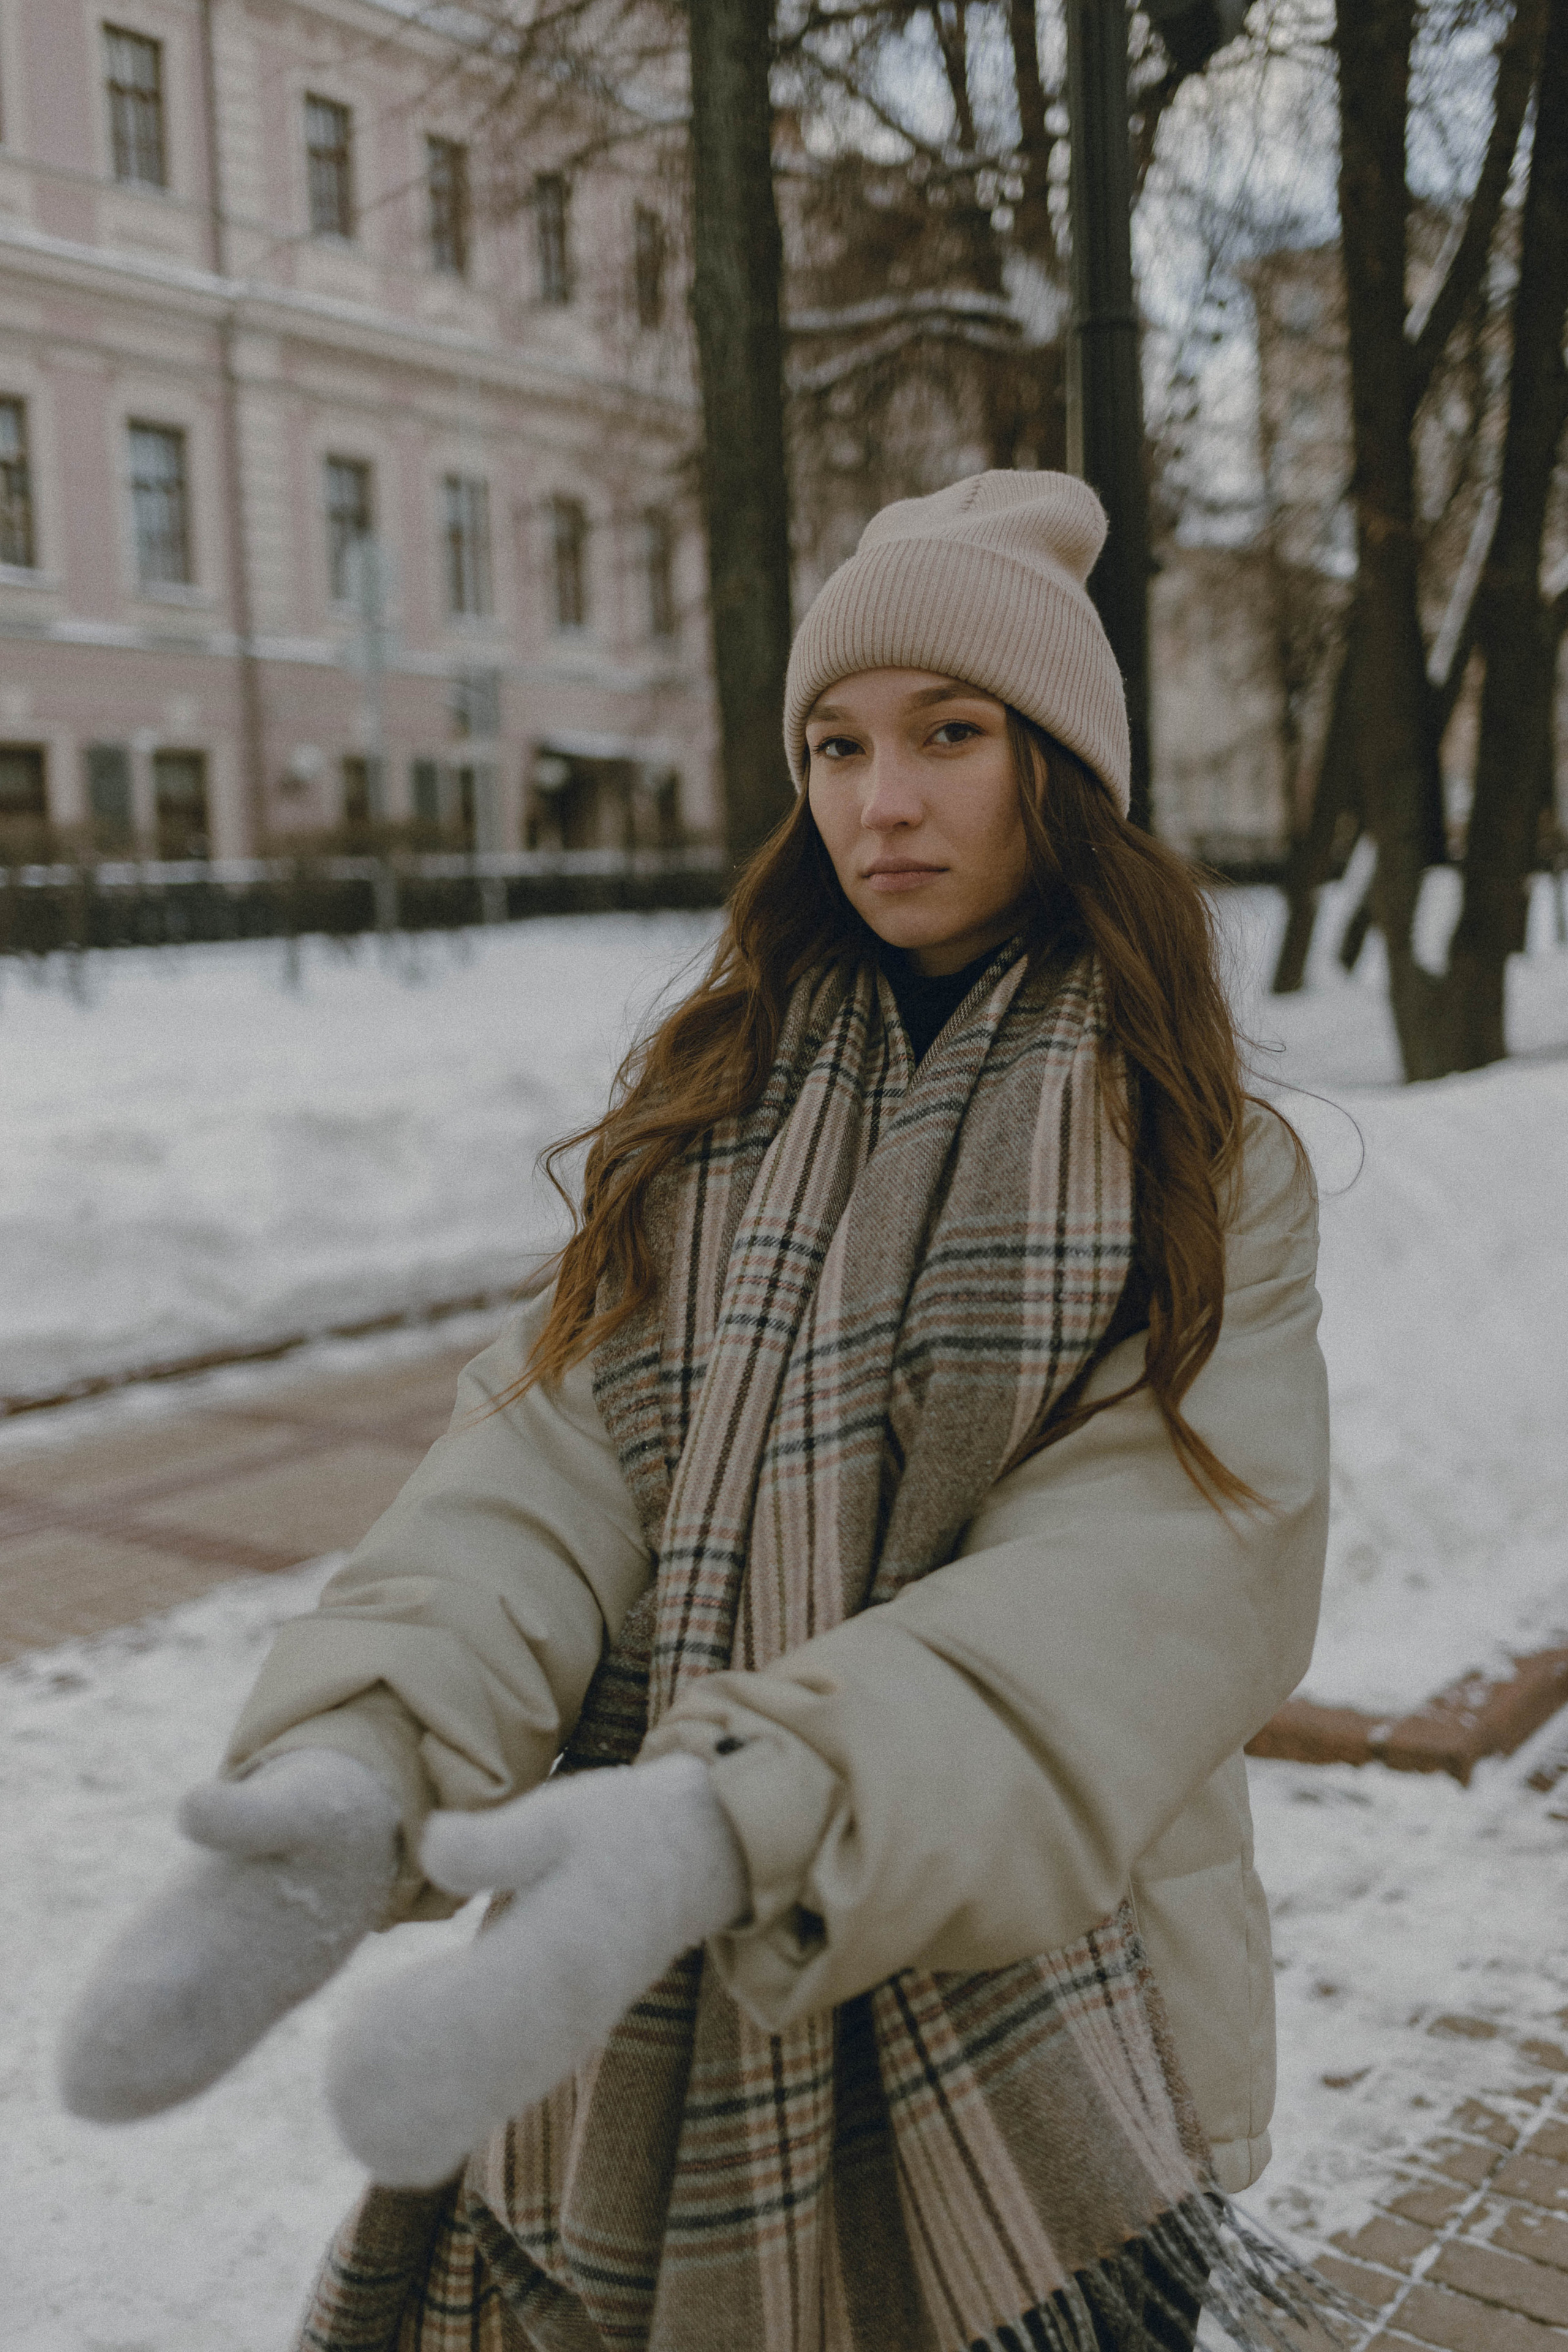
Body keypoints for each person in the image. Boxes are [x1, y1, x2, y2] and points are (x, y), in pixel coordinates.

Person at [61, 472, 1332, 2352]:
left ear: (1058, 766)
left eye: (949, 736)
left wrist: (732, 1827)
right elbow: (554, 1459)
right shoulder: (715, 1107)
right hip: (636, 2016)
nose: (878, 801)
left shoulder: (1202, 1165)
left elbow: (1149, 1583)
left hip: (1048, 2016)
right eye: (835, 744)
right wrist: (360, 1763)